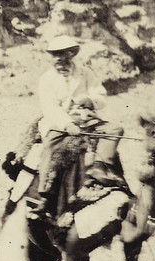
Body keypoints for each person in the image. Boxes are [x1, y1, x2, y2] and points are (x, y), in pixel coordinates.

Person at [31, 34, 122, 206]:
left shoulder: (85, 73)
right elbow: (50, 107)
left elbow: (100, 94)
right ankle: (44, 192)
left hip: (86, 118)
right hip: (58, 122)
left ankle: (100, 167)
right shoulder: (46, 79)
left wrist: (91, 101)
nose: (57, 58)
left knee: (115, 130)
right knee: (51, 146)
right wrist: (68, 124)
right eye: (54, 54)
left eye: (61, 54)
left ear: (70, 54)